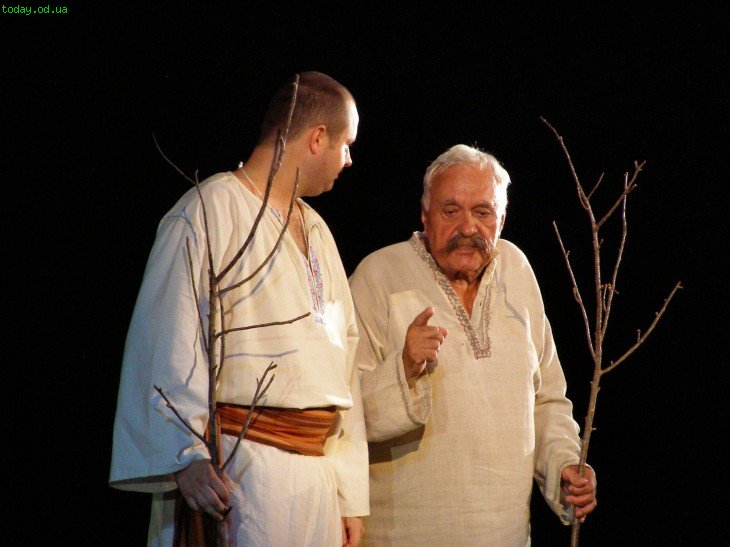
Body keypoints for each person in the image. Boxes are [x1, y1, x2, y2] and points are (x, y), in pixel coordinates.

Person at [110, 71, 368, 546]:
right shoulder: (209, 210)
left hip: (317, 480)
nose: (349, 160)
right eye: (346, 145)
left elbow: (344, 364)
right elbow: (169, 335)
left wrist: (348, 493)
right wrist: (185, 455)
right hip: (242, 474)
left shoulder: (319, 232)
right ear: (317, 138)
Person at [348, 144, 597, 545]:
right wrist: (404, 367)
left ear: (502, 218)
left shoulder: (517, 271)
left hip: (506, 534)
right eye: (451, 211)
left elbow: (547, 399)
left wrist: (564, 464)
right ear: (425, 214)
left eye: (482, 212)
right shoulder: (379, 277)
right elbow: (343, 416)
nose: (467, 228)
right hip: (404, 535)